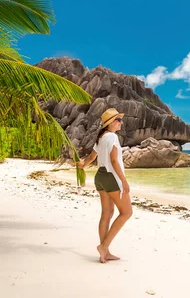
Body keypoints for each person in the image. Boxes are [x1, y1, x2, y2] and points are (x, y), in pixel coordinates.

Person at [77, 108, 132, 263]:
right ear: (111, 122)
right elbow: (114, 161)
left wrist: (82, 165)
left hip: (100, 177)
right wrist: (124, 181)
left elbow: (92, 157)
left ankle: (105, 252)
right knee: (126, 212)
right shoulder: (113, 137)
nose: (121, 122)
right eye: (118, 120)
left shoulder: (100, 138)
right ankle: (104, 246)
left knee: (106, 214)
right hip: (111, 178)